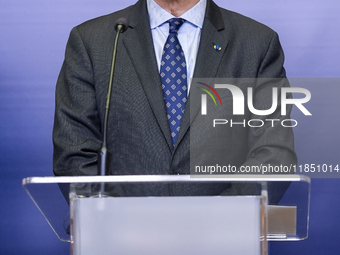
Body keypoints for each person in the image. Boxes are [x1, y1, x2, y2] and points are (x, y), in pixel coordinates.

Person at [53, 0, 297, 198]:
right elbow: (74, 153)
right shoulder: (92, 40)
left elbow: (274, 154)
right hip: (122, 238)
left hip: (223, 238)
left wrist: (218, 220)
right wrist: (120, 222)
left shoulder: (257, 43)